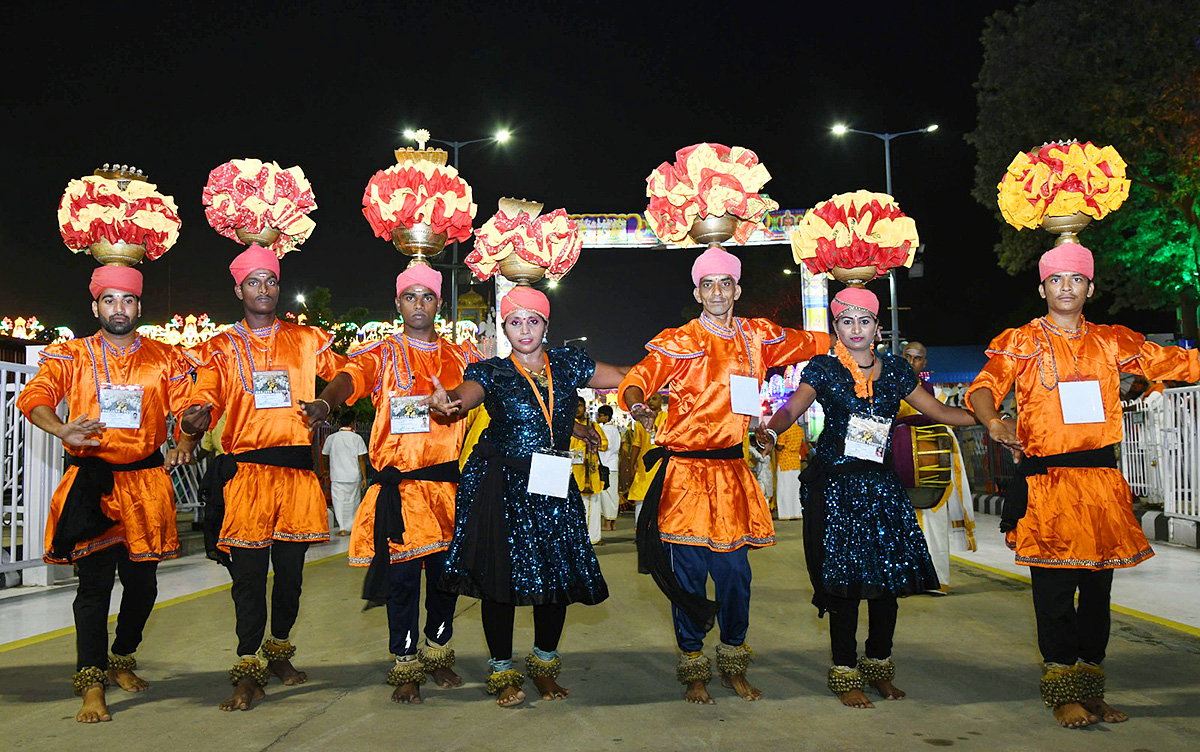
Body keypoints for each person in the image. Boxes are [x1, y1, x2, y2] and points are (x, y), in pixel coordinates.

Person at [966, 242, 1199, 729]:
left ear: (1090, 288)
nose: (1066, 287)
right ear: (1042, 288)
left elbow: (1174, 364)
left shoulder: (1113, 341)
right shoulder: (1021, 340)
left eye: (1075, 280)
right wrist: (993, 422)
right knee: (1053, 591)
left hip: (1101, 483)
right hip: (1048, 482)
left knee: (1097, 592)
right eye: (1056, 280)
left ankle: (1091, 689)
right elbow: (984, 386)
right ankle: (1062, 690)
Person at [618, 246, 831, 705]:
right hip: (686, 476)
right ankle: (694, 666)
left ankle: (733, 660)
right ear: (697, 292)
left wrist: (852, 324)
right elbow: (638, 378)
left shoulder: (757, 336)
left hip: (734, 472)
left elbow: (812, 341)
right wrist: (636, 401)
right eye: (708, 285)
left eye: (725, 284)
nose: (717, 292)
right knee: (689, 577)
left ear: (738, 290)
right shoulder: (679, 340)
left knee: (736, 576)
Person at [757, 286, 976, 709]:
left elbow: (940, 412)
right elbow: (790, 409)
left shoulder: (895, 370)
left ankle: (879, 666)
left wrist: (993, 420)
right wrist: (771, 429)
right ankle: (845, 672)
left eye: (864, 321)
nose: (856, 329)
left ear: (878, 327)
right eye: (846, 321)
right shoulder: (822, 369)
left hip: (882, 489)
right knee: (844, 588)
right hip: (837, 489)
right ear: (835, 326)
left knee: (887, 586)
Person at [427, 286, 629, 708]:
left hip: (553, 485)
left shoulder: (568, 364)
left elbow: (627, 377)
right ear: (504, 327)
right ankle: (501, 670)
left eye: (532, 321)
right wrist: (451, 403)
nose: (524, 329)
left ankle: (544, 666)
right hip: (503, 488)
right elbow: (467, 396)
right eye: (515, 322)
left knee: (554, 582)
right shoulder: (492, 371)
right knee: (499, 585)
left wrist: (663, 374)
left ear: (546, 325)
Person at [17, 266, 197, 723]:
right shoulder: (71, 355)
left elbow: (191, 405)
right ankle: (91, 682)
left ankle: (121, 657)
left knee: (143, 587)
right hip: (91, 484)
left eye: (128, 301)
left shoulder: (165, 358)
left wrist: (186, 440)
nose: (120, 309)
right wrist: (61, 427)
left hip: (146, 484)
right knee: (93, 589)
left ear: (139, 306)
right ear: (94, 306)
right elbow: (35, 394)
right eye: (110, 300)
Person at [179, 244, 347, 711]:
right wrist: (194, 420)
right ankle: (248, 666)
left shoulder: (307, 339)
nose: (264, 289)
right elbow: (203, 397)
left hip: (295, 475)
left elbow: (346, 375)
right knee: (249, 578)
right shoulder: (218, 347)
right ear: (238, 289)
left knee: (290, 578)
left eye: (271, 281)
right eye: (254, 282)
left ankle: (278, 650)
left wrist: (326, 403)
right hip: (248, 476)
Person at [310, 263, 482, 704]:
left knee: (446, 583)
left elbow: (492, 387)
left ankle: (438, 651)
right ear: (398, 303)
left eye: (427, 296)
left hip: (446, 489)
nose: (419, 304)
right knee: (403, 583)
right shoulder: (380, 354)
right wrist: (325, 404)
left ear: (438, 303)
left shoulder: (462, 356)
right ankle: (405, 662)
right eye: (411, 296)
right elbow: (348, 379)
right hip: (400, 494)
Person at [896, 340, 977, 593]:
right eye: (907, 356)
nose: (911, 362)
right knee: (900, 525)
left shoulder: (935, 392)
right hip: (897, 470)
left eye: (917, 358)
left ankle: (936, 580)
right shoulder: (885, 388)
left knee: (935, 523)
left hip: (932, 471)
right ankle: (905, 579)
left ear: (924, 363)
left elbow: (948, 420)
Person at [321, 412, 368, 536]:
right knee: (353, 501)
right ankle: (352, 526)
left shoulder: (332, 438)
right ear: (352, 423)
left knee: (339, 502)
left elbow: (324, 455)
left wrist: (326, 469)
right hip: (353, 476)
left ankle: (342, 527)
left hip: (337, 476)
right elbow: (361, 459)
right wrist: (364, 477)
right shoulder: (357, 438)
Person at [625, 391, 665, 524]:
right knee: (641, 495)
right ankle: (640, 530)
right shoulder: (641, 420)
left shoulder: (668, 418)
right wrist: (632, 464)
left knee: (661, 498)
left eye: (654, 399)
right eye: (649, 400)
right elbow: (636, 444)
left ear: (661, 401)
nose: (651, 402)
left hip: (663, 462)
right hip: (645, 465)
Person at [571, 397, 606, 544]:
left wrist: (593, 444)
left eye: (580, 405)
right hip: (571, 472)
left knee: (592, 508)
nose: (578, 409)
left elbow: (604, 443)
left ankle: (593, 538)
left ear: (585, 408)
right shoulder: (566, 425)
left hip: (589, 474)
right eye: (575, 406)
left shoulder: (593, 425)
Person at [595, 404, 622, 532]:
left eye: (600, 415)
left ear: (606, 417)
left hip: (605, 465)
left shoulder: (604, 430)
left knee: (606, 494)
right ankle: (612, 522)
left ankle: (607, 522)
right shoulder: (615, 430)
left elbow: (604, 447)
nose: (598, 418)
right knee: (613, 494)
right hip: (613, 465)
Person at [773, 422, 807, 520]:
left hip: (785, 462)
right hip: (796, 461)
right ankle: (796, 512)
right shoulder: (799, 430)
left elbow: (780, 446)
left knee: (784, 489)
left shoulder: (784, 429)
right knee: (795, 490)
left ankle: (785, 514)